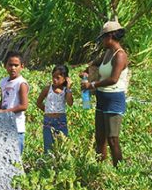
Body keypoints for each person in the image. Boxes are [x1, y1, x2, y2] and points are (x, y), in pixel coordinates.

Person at [81, 21, 129, 167]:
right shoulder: (107, 53)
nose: (101, 41)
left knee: (113, 138)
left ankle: (119, 171)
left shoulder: (119, 55)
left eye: (103, 38)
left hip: (114, 99)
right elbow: (95, 63)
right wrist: (87, 70)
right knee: (100, 137)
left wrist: (92, 85)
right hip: (102, 98)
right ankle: (99, 168)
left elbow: (113, 79)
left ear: (110, 37)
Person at [0, 51, 29, 156]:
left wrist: (4, 112)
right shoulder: (3, 82)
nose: (13, 68)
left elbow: (23, 106)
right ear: (5, 66)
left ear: (22, 66)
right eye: (10, 65)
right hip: (4, 124)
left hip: (17, 126)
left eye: (16, 65)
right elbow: (3, 99)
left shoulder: (21, 83)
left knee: (16, 156)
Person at [36, 65, 73, 153]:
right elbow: (38, 103)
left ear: (65, 79)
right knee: (48, 146)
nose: (54, 80)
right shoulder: (47, 89)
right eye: (53, 77)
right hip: (48, 120)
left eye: (58, 77)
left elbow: (70, 103)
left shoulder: (65, 91)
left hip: (61, 120)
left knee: (61, 146)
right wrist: (48, 111)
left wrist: (68, 88)